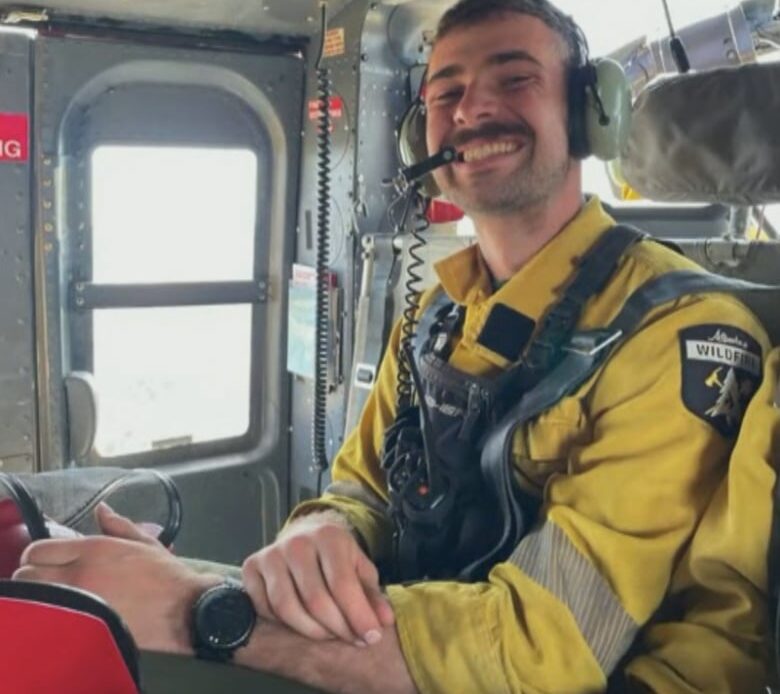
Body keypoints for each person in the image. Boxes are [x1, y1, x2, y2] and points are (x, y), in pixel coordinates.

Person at [14, 1, 774, 692]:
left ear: (588, 113)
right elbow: (363, 484)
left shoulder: (675, 333)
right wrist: (324, 527)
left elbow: (544, 651)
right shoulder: (441, 310)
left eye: (515, 79)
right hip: (426, 644)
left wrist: (196, 607)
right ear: (423, 134)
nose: (473, 107)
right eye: (444, 93)